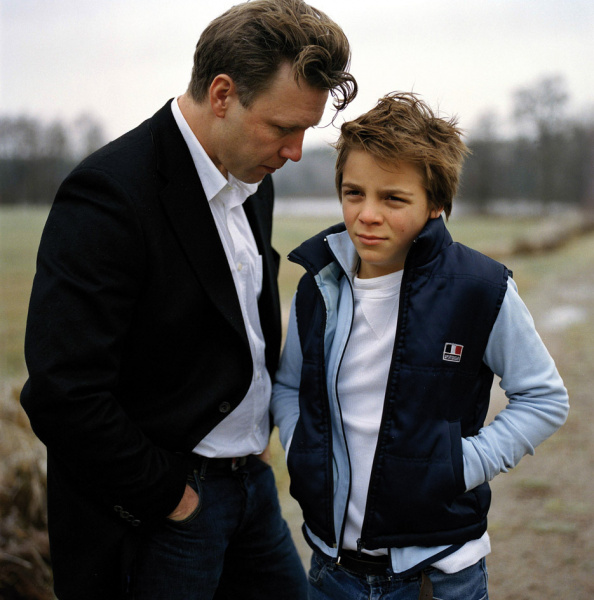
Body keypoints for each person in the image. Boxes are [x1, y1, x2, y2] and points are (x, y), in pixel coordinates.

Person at [20, 1, 357, 598]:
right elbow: (62, 393)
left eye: (305, 130)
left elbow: (239, 325)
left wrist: (256, 444)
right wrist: (174, 499)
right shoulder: (108, 195)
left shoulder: (252, 177)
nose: (296, 151)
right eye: (284, 127)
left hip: (251, 488)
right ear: (222, 94)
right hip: (163, 511)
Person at [271, 92, 569, 600]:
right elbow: (288, 385)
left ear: (435, 205)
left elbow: (544, 398)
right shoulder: (318, 284)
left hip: (441, 574)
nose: (367, 214)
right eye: (353, 193)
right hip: (331, 570)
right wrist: (302, 445)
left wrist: (462, 464)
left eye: (393, 198)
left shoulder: (481, 289)